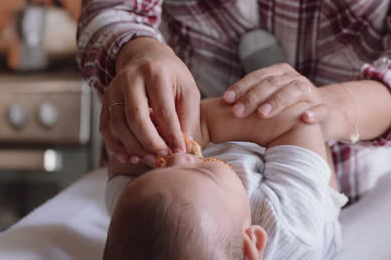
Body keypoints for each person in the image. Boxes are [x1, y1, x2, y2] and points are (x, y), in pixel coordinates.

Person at [77, 0, 391, 202]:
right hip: (329, 182)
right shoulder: (294, 222)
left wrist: (340, 108)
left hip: (365, 181)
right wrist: (138, 53)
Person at [103, 97, 347, 260]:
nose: (177, 160)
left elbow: (122, 165)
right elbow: (299, 121)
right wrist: (203, 124)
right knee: (305, 122)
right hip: (305, 206)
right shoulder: (289, 228)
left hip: (223, 175)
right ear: (252, 241)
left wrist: (143, 140)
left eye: (160, 170)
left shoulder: (135, 215)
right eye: (202, 171)